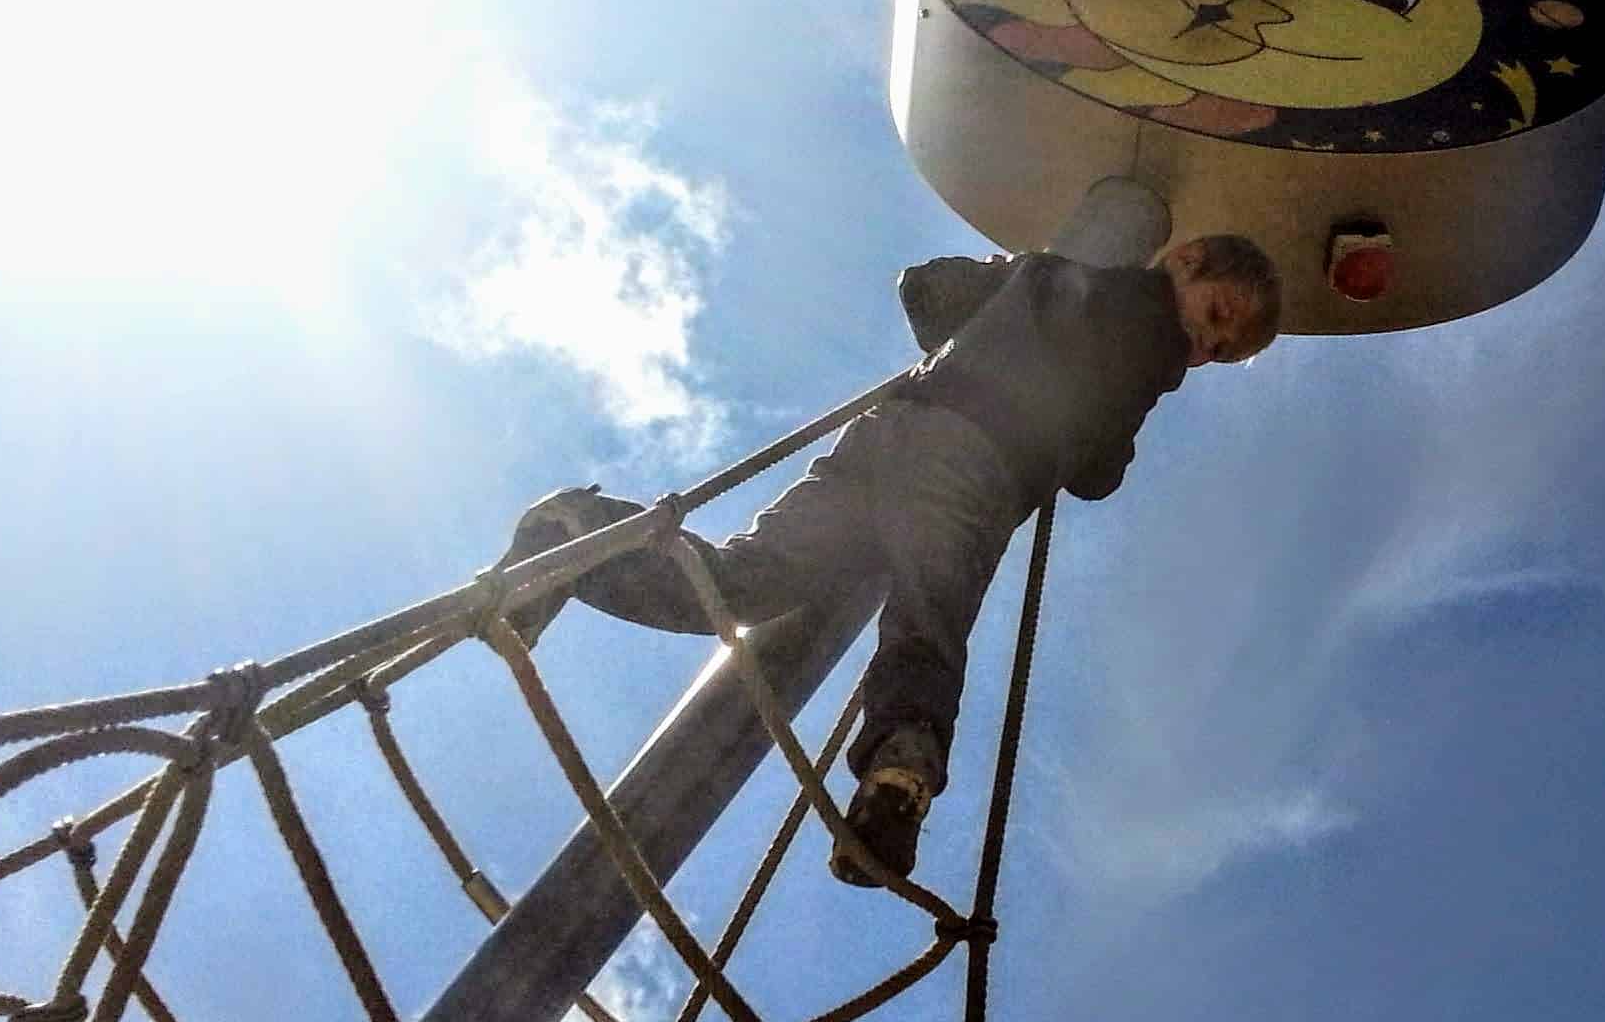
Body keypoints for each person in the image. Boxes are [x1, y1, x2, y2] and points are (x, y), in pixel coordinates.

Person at [501, 233, 1282, 885]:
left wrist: (1005, 288)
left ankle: (576, 534)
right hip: (978, 459)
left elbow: (924, 291)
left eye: (1219, 347)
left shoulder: (1044, 273)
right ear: (1184, 260)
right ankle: (896, 778)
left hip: (888, 431)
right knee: (927, 610)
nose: (1203, 347)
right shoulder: (1151, 343)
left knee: (748, 579)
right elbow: (1100, 474)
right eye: (1215, 318)